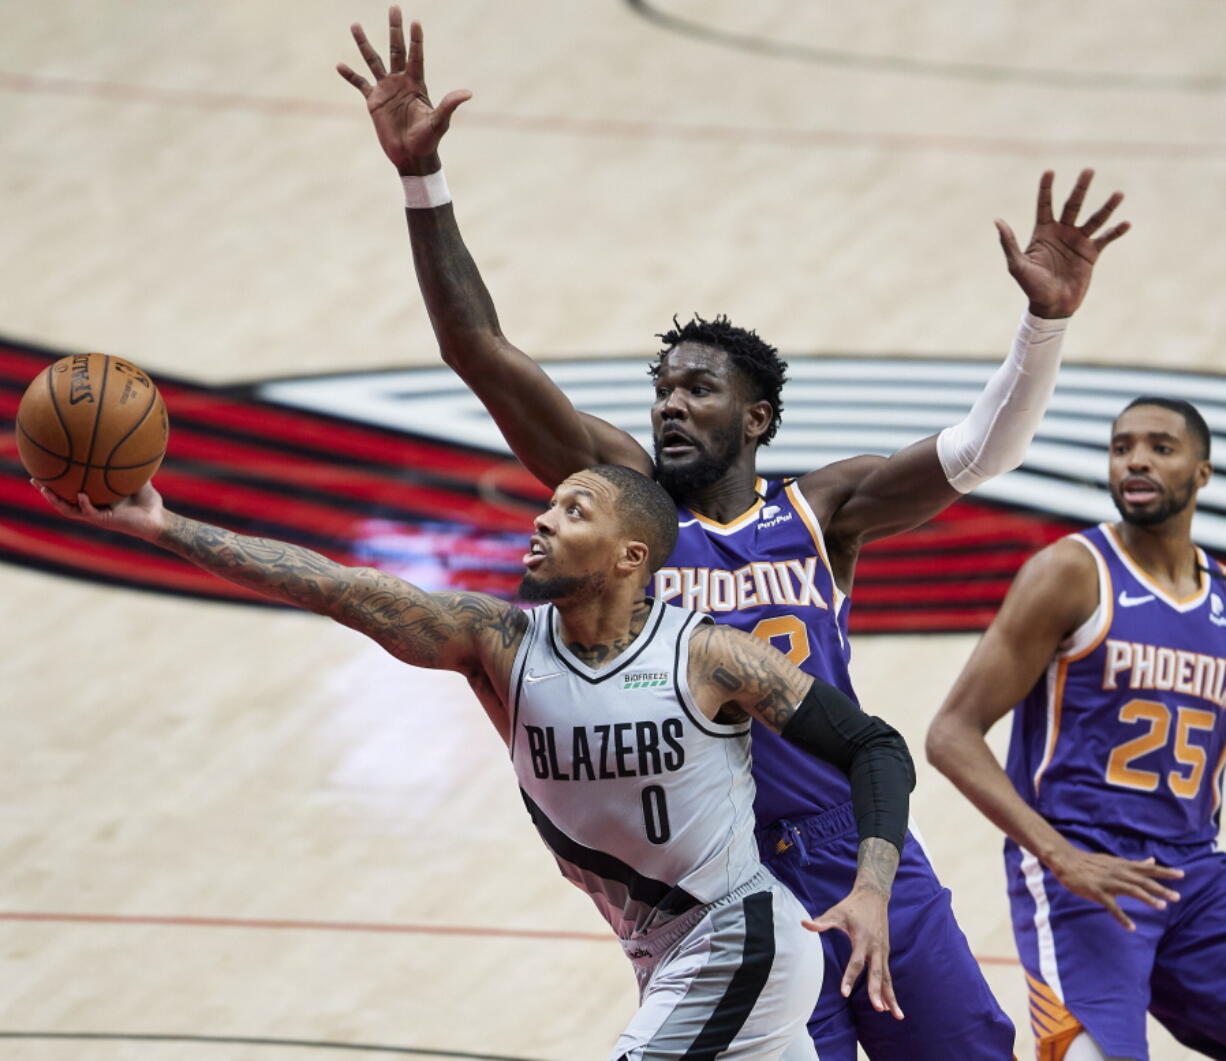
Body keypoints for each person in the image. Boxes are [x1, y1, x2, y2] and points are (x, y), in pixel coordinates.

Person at [336, 10, 1130, 1056]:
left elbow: (981, 451)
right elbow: (479, 349)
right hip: (729, 879)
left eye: (697, 389)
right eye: (660, 387)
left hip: (861, 848)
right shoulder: (621, 503)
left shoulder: (822, 511)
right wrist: (421, 181)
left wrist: (1044, 325)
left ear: (754, 418)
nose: (669, 404)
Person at [35, 464, 915, 1060]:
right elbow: (338, 586)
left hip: (738, 937)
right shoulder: (498, 642)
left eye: (575, 510)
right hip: (658, 951)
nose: (542, 516)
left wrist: (871, 885)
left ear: (630, 557)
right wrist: (163, 524)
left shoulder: (708, 656)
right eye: (549, 503)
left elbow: (874, 744)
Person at [928, 397, 1226, 1061]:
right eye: (1123, 447)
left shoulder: (1224, 597)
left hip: (1195, 870)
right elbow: (952, 732)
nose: (1136, 460)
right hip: (1082, 867)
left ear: (1202, 473)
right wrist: (1059, 854)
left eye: (1160, 446)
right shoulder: (1073, 571)